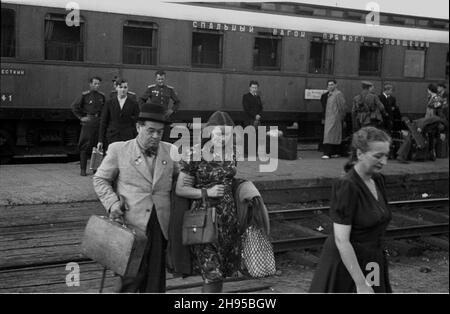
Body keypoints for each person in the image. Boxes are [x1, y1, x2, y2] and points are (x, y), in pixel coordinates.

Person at [93, 103, 178, 293]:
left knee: (155, 282)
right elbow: (100, 179)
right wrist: (113, 203)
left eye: (160, 132)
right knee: (129, 280)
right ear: (138, 127)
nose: (156, 136)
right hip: (130, 224)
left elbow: (182, 178)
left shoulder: (171, 151)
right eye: (151, 131)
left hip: (160, 225)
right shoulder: (119, 150)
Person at [310, 127, 392, 293]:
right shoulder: (347, 186)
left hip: (371, 262)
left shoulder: (378, 180)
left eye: (386, 156)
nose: (384, 162)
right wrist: (361, 284)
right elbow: (342, 240)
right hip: (346, 265)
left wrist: (370, 280)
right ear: (360, 154)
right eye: (378, 156)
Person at [175, 111, 242, 293]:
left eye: (228, 133)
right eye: (220, 133)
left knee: (220, 272)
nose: (224, 137)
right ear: (210, 131)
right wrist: (206, 191)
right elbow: (180, 189)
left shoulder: (232, 153)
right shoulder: (195, 153)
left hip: (228, 220)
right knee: (211, 271)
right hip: (204, 219)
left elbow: (231, 181)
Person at [71, 76, 106, 176]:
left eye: (98, 84)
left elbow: (104, 110)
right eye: (95, 83)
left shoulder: (101, 96)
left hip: (98, 122)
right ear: (90, 84)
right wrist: (81, 118)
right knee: (84, 146)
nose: (97, 86)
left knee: (97, 146)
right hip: (88, 122)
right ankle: (83, 169)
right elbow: (74, 107)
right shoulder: (84, 95)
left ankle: (95, 169)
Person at [97, 78, 140, 152]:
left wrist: (137, 138)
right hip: (112, 136)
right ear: (116, 88)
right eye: (120, 87)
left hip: (128, 137)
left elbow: (137, 122)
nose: (123, 90)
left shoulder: (133, 104)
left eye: (125, 87)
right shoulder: (109, 103)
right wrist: (100, 140)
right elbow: (103, 122)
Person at [321, 79, 346, 159]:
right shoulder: (329, 94)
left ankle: (327, 153)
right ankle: (334, 152)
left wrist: (341, 117)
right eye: (329, 85)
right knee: (332, 135)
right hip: (329, 118)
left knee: (330, 135)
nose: (330, 86)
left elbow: (342, 107)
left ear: (336, 85)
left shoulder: (338, 94)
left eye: (332, 84)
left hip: (334, 118)